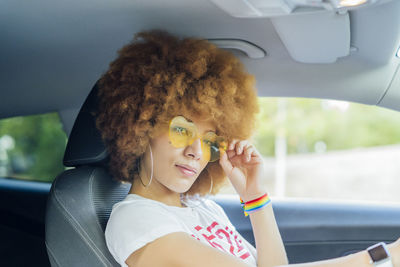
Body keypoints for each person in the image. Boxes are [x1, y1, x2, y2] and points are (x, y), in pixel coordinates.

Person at [95, 30, 400, 267]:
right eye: (181, 130)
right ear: (141, 126)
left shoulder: (202, 208)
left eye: (209, 141)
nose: (196, 152)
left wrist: (254, 196)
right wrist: (383, 257)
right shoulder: (135, 220)